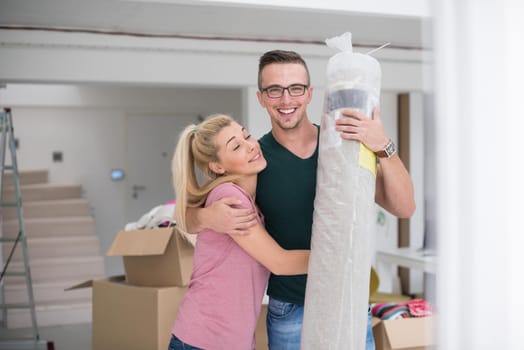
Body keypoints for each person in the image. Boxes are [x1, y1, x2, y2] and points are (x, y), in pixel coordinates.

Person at [186, 50, 416, 350]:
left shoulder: (342, 145)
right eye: (274, 90)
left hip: (348, 301)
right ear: (261, 97)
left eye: (295, 88)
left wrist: (383, 146)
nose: (286, 100)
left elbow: (404, 207)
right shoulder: (254, 160)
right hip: (291, 309)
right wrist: (204, 217)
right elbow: (191, 210)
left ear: (309, 94)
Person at [168, 114, 310, 350]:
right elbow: (279, 262)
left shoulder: (250, 199)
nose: (251, 146)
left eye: (246, 136)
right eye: (236, 146)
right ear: (217, 166)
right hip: (204, 341)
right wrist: (341, 258)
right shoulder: (229, 199)